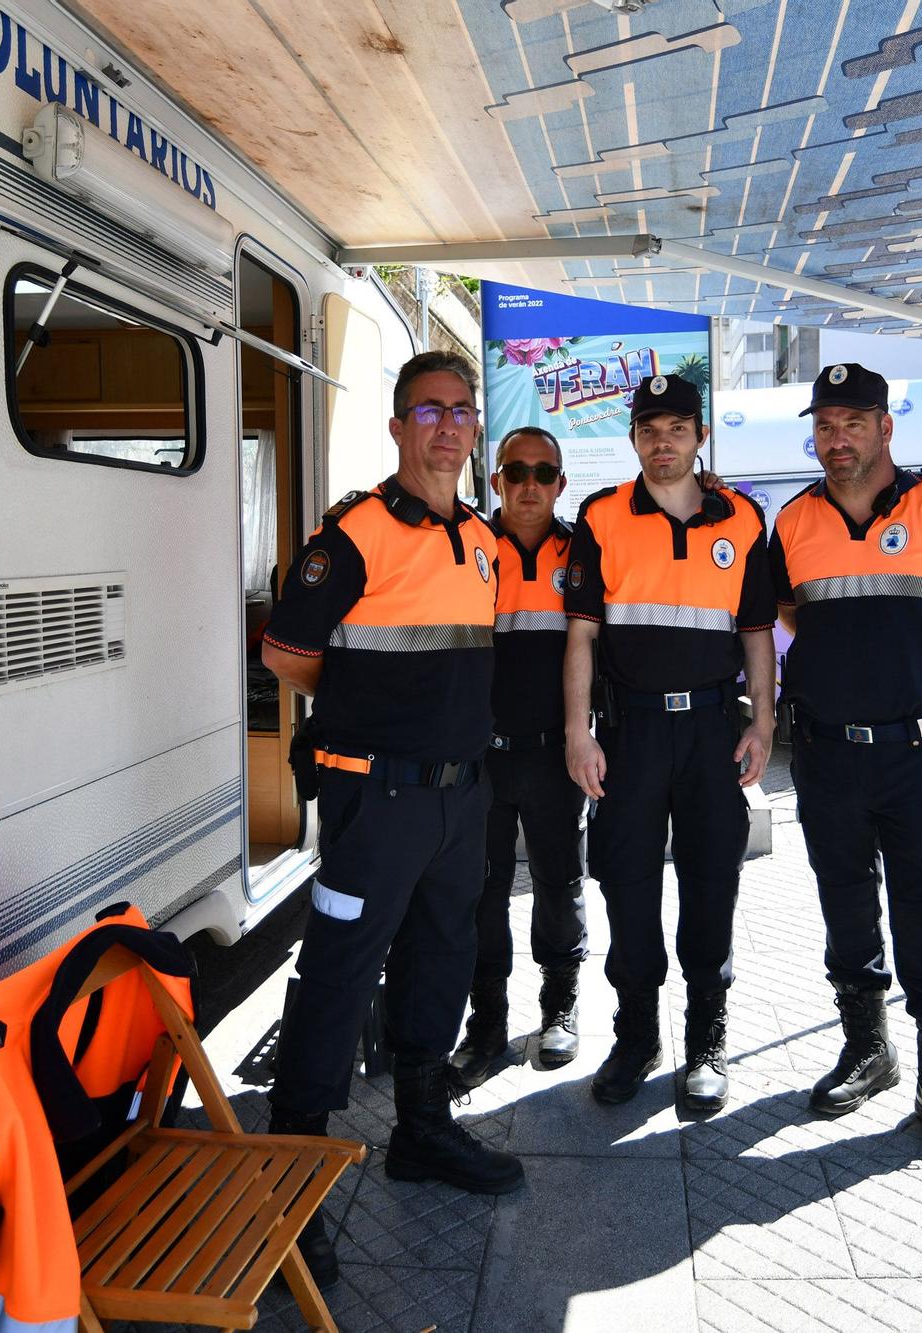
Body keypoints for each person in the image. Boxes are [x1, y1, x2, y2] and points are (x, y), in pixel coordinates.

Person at [260, 352, 522, 1283]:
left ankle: (421, 1128)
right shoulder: (356, 533)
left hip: (459, 796)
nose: (448, 426)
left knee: (441, 956)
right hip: (377, 798)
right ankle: (292, 1185)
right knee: (339, 972)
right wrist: (367, 708)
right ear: (399, 424)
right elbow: (287, 652)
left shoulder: (484, 538)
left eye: (461, 410)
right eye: (429, 410)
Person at [768, 362, 922, 1173]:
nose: (837, 440)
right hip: (828, 751)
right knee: (845, 906)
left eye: (853, 423)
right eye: (826, 426)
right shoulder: (793, 520)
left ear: (884, 427)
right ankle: (870, 1052)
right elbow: (788, 607)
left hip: (912, 751)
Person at [563, 373, 776, 1114]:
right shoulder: (600, 517)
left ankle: (707, 1036)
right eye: (649, 430)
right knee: (627, 882)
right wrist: (576, 731)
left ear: (700, 436)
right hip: (630, 733)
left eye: (677, 429)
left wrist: (764, 722)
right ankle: (636, 1034)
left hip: (715, 729)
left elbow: (757, 633)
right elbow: (582, 635)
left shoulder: (743, 518)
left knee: (712, 879)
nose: (663, 442)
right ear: (633, 440)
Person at [449, 426, 591, 1086]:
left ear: (561, 482)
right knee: (481, 895)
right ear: (497, 479)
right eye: (516, 471)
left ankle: (559, 1009)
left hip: (555, 757)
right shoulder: (467, 547)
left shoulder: (583, 553)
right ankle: (487, 1024)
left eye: (543, 471)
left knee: (560, 888)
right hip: (480, 760)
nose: (529, 483)